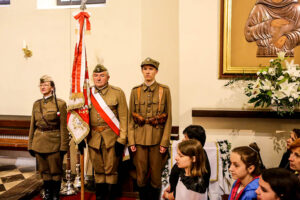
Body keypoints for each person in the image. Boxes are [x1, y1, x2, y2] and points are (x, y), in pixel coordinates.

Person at [80, 64, 128, 200]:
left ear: (108, 77)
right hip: (93, 137)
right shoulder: (87, 94)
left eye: (102, 75)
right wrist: (79, 138)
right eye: (95, 75)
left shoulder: (117, 93)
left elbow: (124, 118)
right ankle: (100, 197)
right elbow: (81, 116)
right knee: (99, 170)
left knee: (111, 170)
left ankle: (111, 197)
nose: (98, 78)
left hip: (112, 138)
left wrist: (122, 139)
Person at [128, 57, 172, 200]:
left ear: (156, 71)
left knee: (155, 176)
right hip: (139, 140)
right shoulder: (136, 91)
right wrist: (131, 141)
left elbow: (168, 117)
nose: (147, 72)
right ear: (142, 71)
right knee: (140, 175)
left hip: (157, 140)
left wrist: (164, 142)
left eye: (151, 69)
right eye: (145, 69)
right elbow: (130, 118)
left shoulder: (164, 90)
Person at [28, 75, 69, 200]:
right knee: (44, 171)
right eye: (41, 85)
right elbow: (32, 126)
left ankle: (55, 194)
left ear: (52, 87)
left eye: (45, 85)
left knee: (55, 171)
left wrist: (63, 146)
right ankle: (48, 193)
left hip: (54, 143)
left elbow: (63, 127)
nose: (42, 87)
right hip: (39, 142)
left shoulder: (60, 104)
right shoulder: (36, 104)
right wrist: (30, 144)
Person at [163, 125, 211, 200]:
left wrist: (168, 196)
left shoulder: (194, 184)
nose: (183, 140)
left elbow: (184, 193)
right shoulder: (187, 168)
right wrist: (172, 186)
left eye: (185, 137)